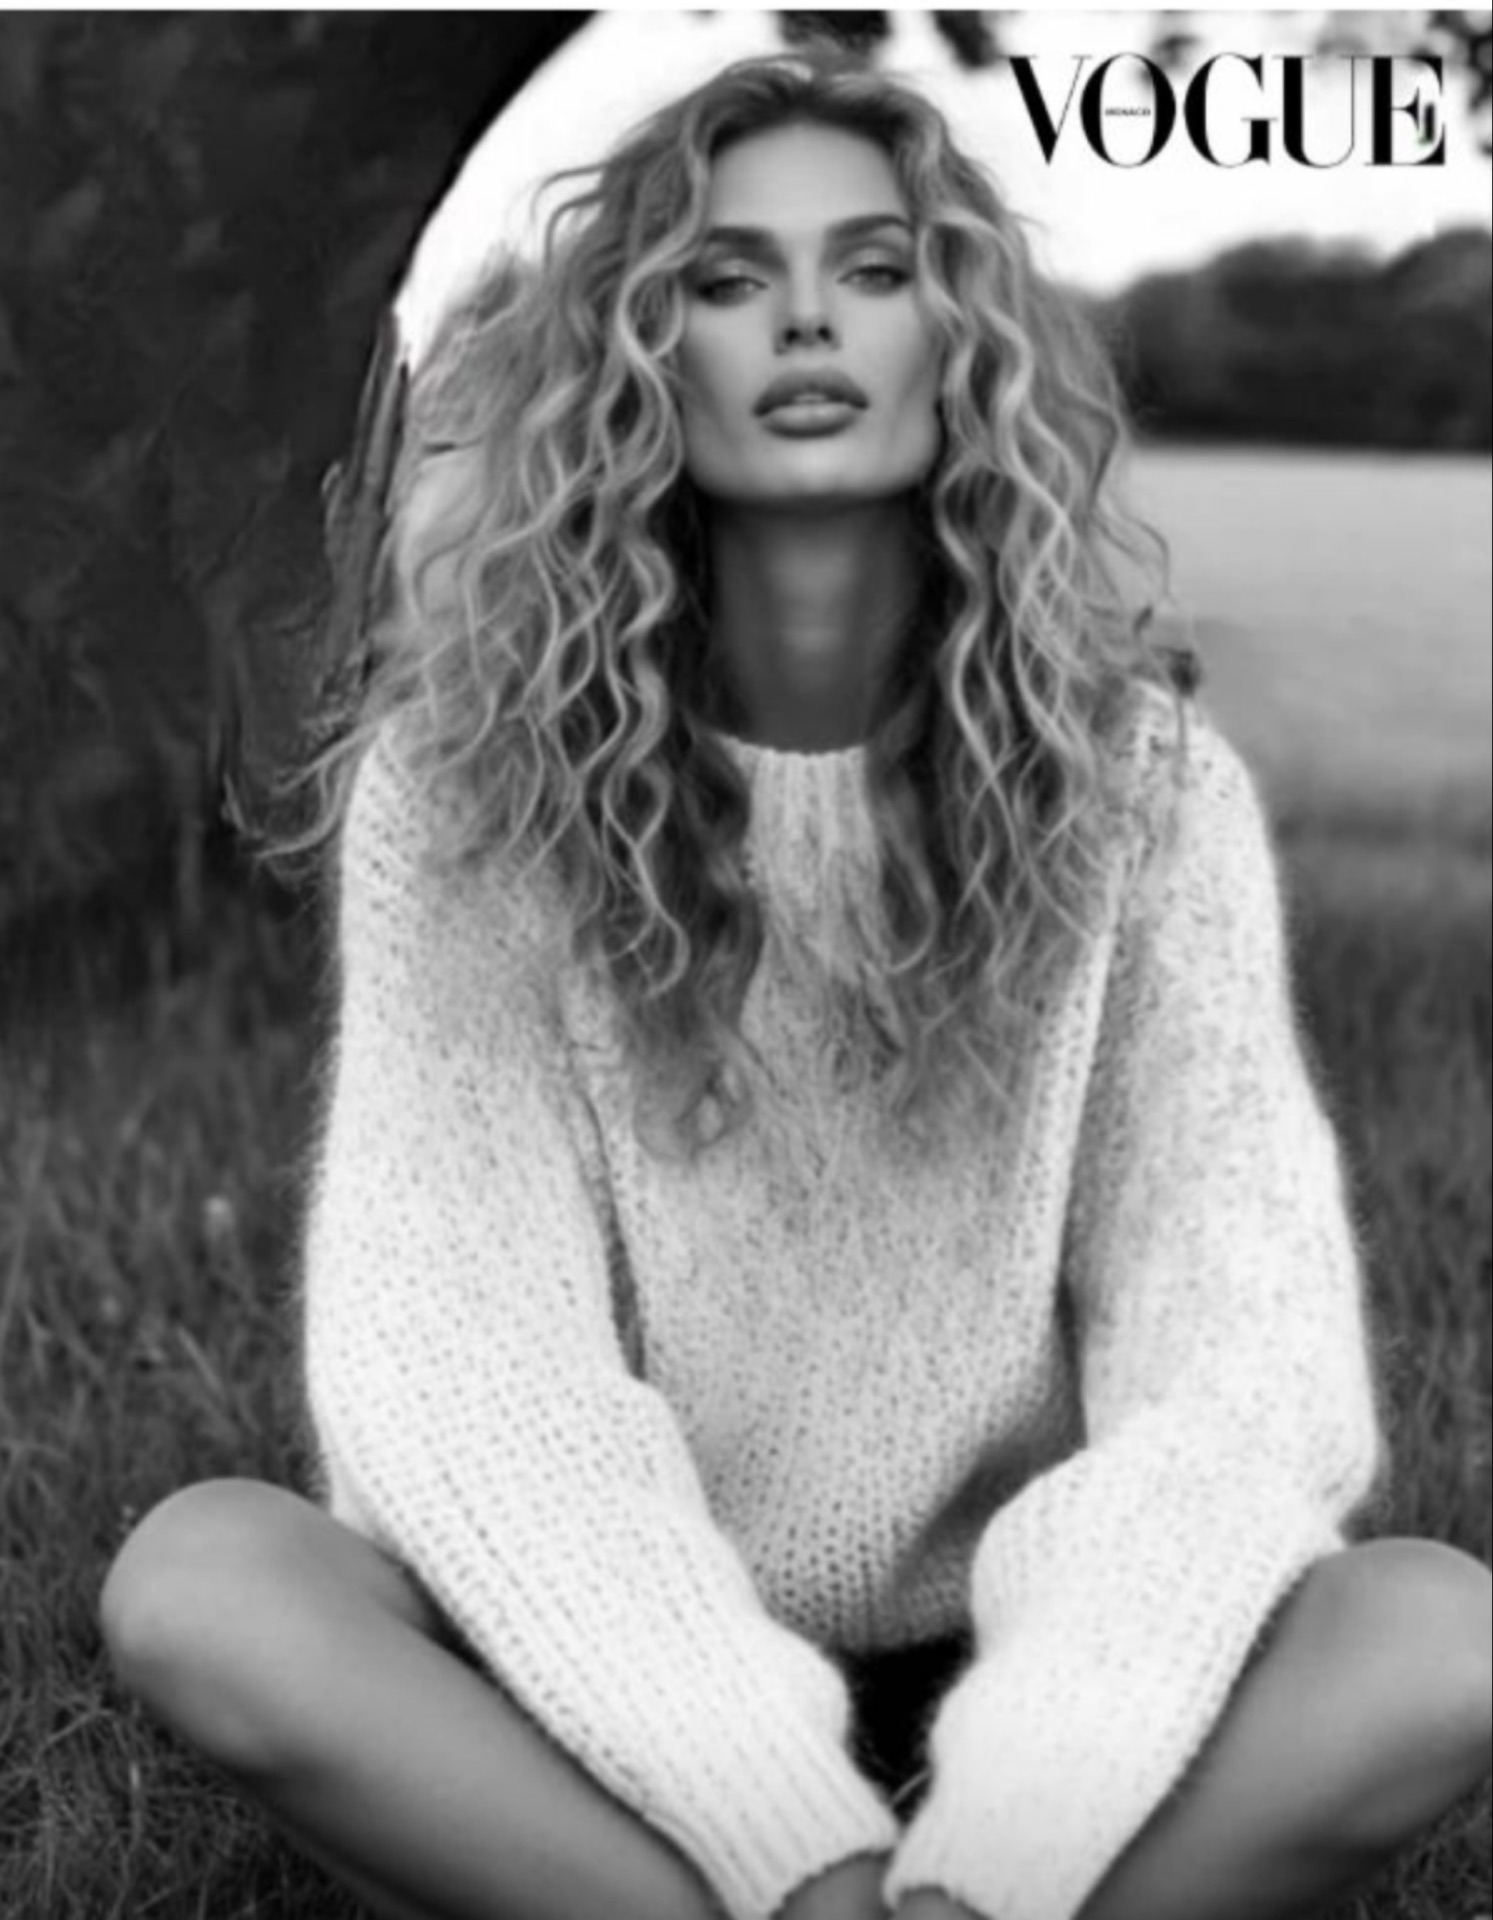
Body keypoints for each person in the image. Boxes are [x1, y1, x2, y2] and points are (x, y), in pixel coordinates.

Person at [98, 48, 1491, 1920]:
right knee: (204, 1581)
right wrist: (786, 1840)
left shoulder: (1149, 799)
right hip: (602, 1651)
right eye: (726, 277)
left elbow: (1233, 1363)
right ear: (637, 358)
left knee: (1437, 1635)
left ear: (959, 337)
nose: (808, 320)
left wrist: (1021, 1817)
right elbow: (462, 1370)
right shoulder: (464, 800)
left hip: (1034, 1651)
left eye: (874, 267)